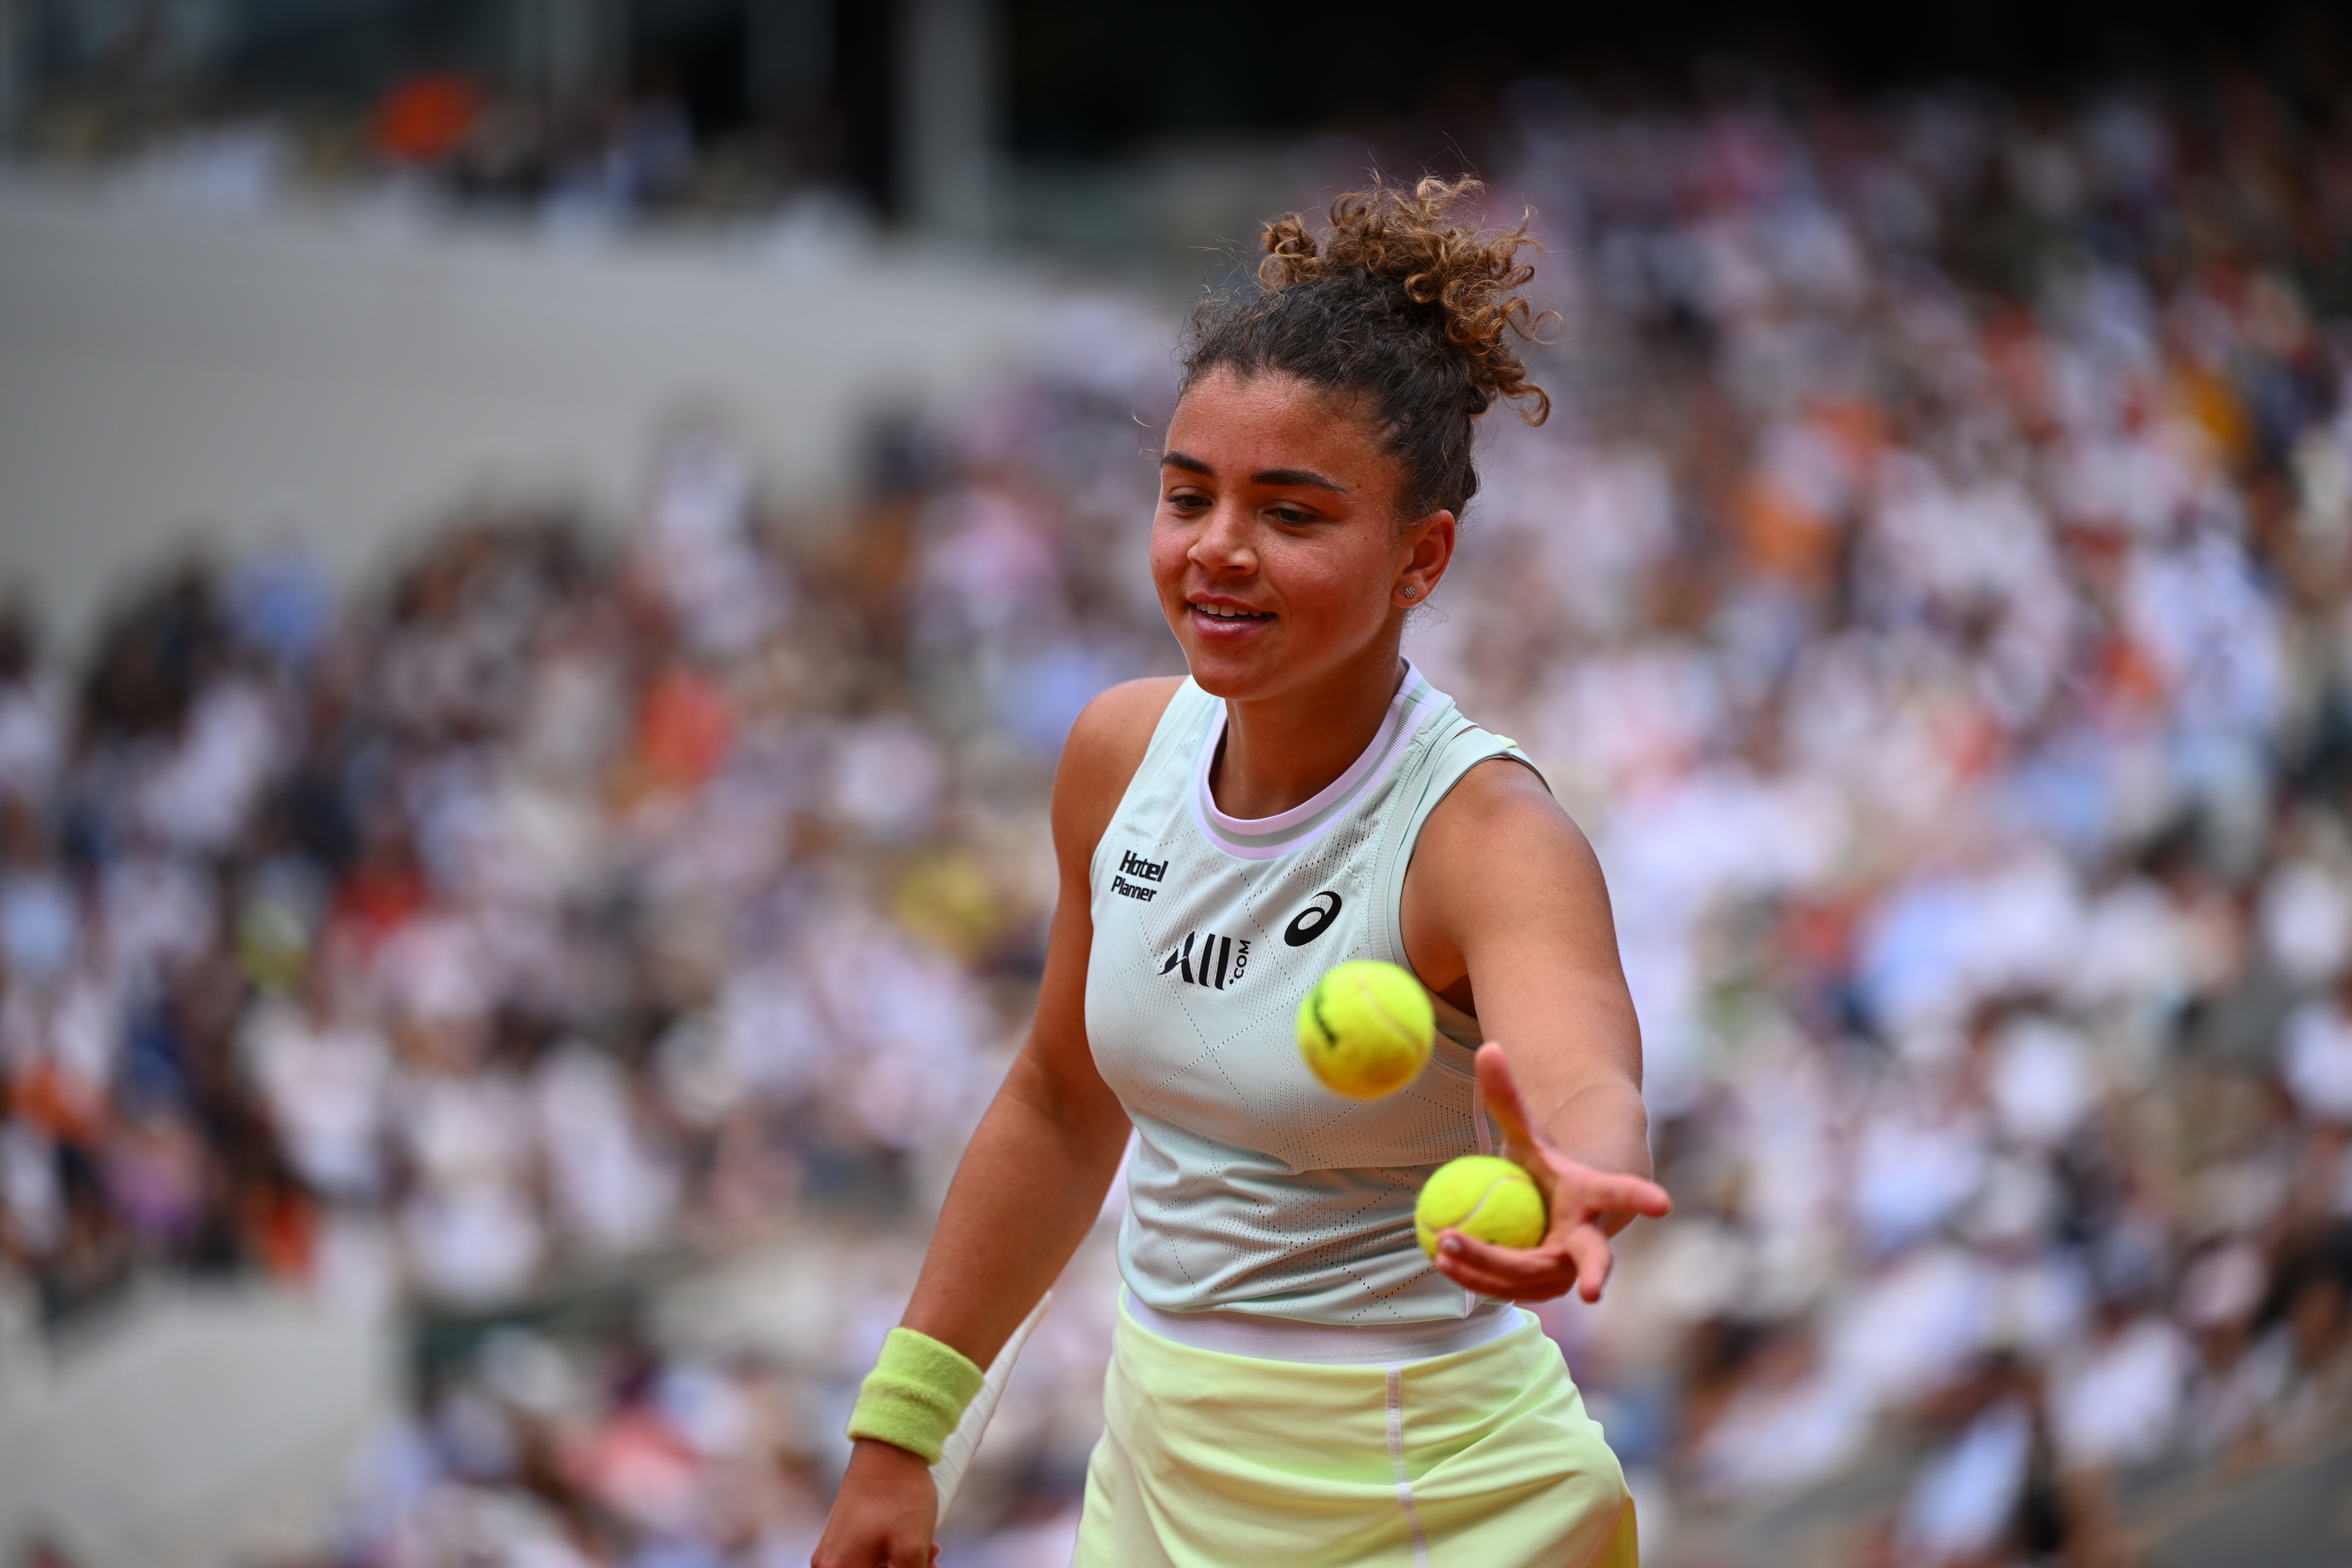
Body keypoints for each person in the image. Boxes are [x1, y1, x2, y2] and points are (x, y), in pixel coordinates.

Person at [814, 177, 1670, 1568]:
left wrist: (1583, 1171)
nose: (1218, 547)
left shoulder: (1485, 833)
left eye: (1292, 511)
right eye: (1187, 494)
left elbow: (1582, 1076)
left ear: (1421, 555)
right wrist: (904, 1437)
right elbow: (1055, 1103)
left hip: (1436, 1493)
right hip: (1156, 1478)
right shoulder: (1114, 755)